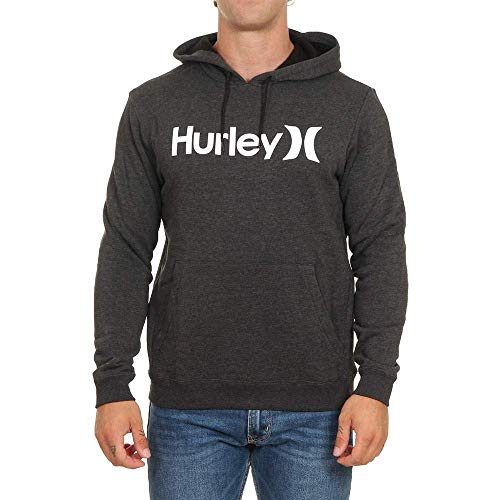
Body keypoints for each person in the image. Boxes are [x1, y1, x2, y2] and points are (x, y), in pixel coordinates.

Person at [93, 0, 408, 498]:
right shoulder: (154, 105)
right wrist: (112, 384)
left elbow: (380, 249)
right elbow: (126, 249)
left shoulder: (352, 106)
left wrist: (376, 384)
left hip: (318, 412)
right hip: (187, 408)